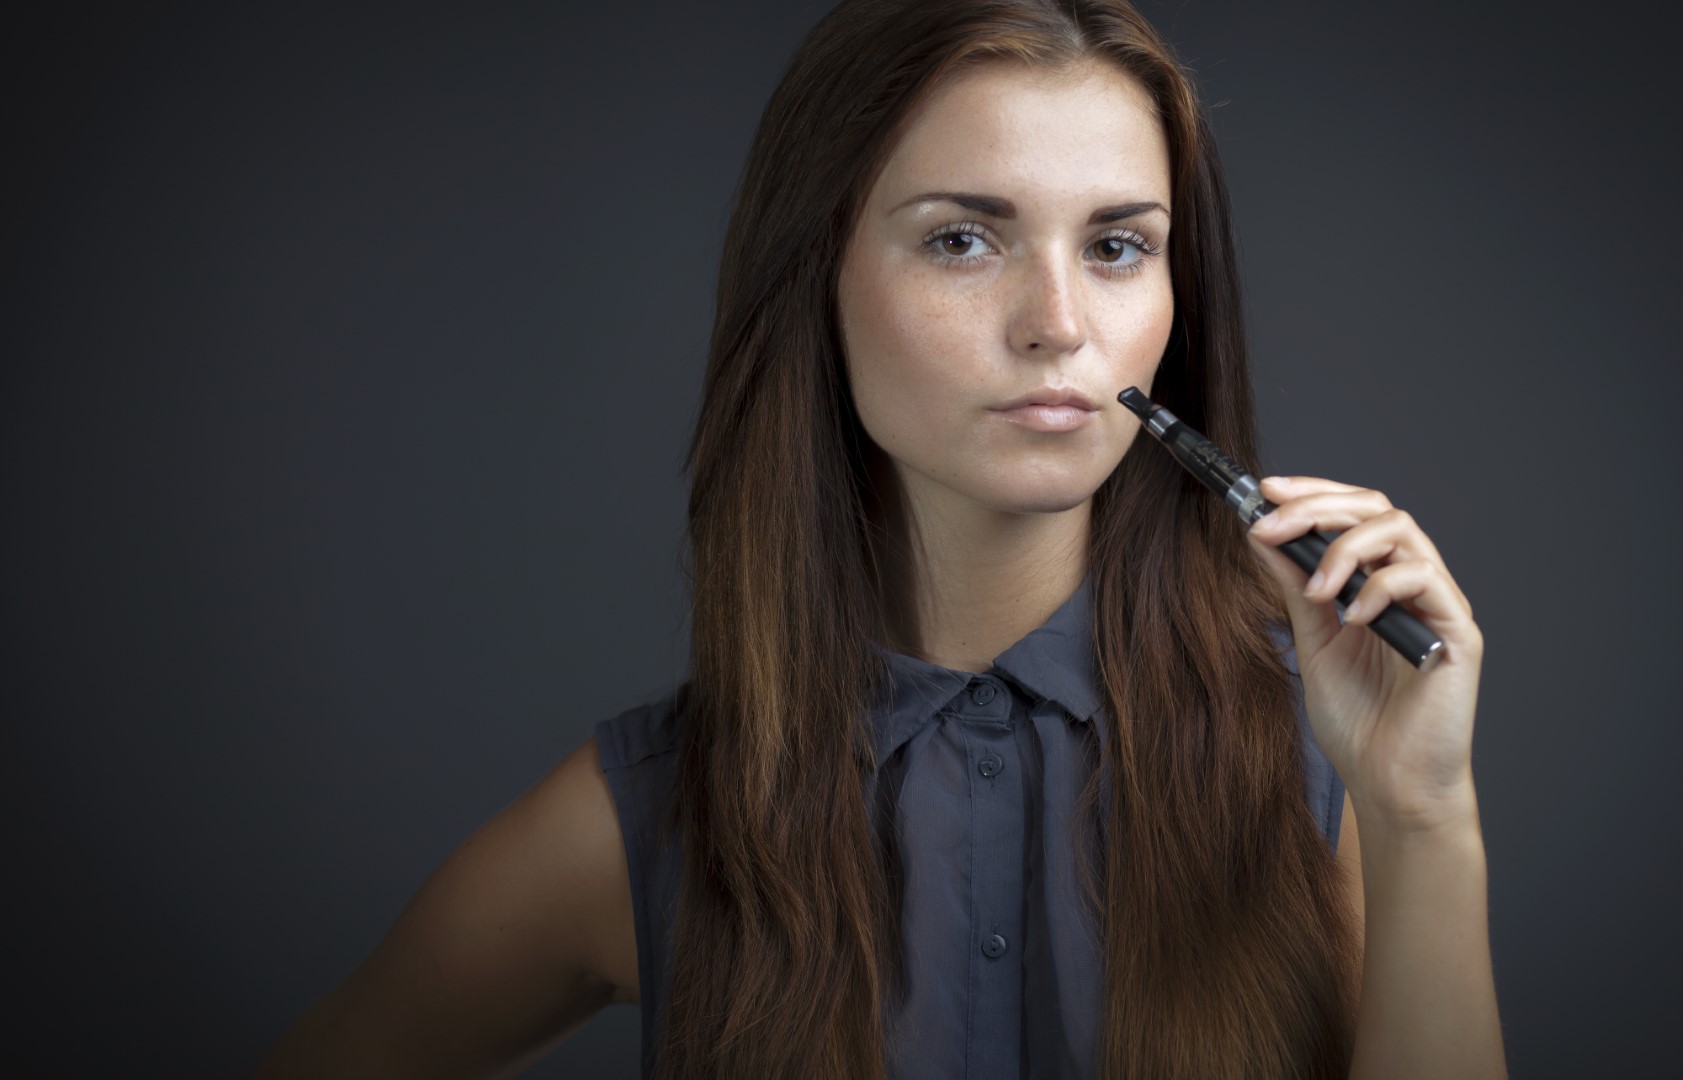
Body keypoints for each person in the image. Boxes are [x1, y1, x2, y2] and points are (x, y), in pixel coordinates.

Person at [251, 1, 1505, 1077]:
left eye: (1119, 246)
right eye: (964, 239)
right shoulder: (653, 819)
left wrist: (1424, 812)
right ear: (816, 277)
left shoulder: (1331, 781)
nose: (1059, 323)